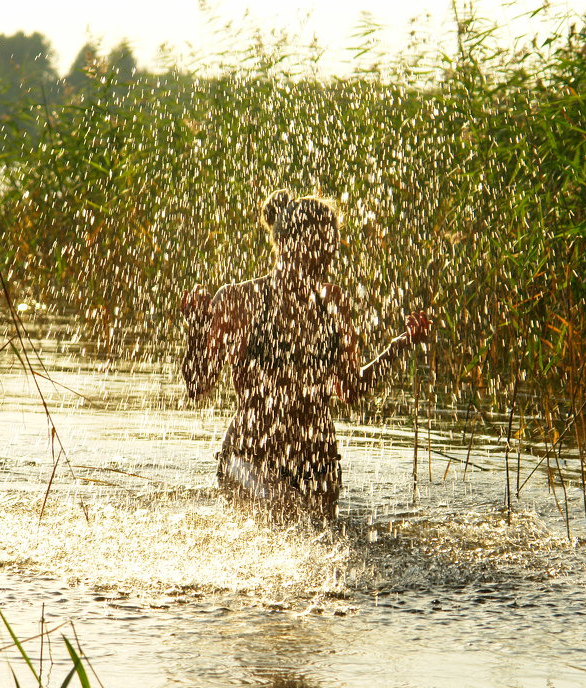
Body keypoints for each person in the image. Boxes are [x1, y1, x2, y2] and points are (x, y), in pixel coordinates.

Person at [181, 190, 431, 521]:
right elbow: (198, 386)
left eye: (330, 248)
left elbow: (350, 389)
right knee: (280, 515)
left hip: (318, 467)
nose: (325, 258)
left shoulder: (333, 303)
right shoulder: (240, 300)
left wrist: (400, 343)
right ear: (284, 244)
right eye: (316, 247)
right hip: (249, 460)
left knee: (320, 542)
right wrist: (196, 334)